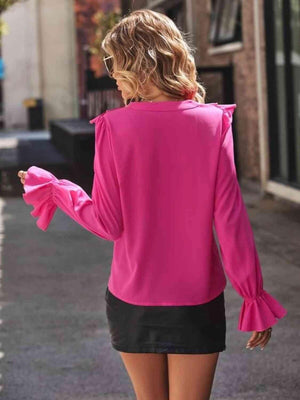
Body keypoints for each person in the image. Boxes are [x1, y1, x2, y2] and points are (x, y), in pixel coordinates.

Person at [18, 9, 287, 400]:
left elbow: (107, 224)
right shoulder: (213, 125)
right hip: (197, 301)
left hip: (131, 301)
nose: (111, 74)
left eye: (114, 63)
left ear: (137, 65)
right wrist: (252, 294)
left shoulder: (114, 127)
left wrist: (58, 189)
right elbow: (231, 223)